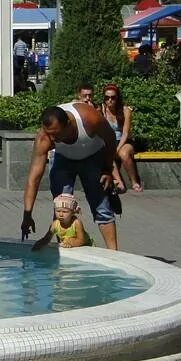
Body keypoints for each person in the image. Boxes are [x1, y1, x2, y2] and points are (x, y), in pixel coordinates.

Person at [21, 102, 120, 250]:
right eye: (49, 134)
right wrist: (27, 214)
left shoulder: (89, 118)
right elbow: (33, 178)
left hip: (93, 156)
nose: (53, 139)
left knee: (101, 206)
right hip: (63, 159)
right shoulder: (45, 137)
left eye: (56, 133)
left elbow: (111, 139)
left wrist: (107, 169)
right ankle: (65, 251)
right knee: (62, 207)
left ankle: (114, 254)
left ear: (68, 123)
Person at [100, 84, 142, 193]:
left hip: (124, 141)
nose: (110, 100)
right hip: (110, 141)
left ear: (117, 98)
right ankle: (119, 183)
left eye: (113, 97)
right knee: (107, 154)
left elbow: (125, 133)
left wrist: (117, 149)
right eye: (107, 98)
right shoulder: (101, 110)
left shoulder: (125, 110)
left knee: (123, 154)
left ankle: (134, 182)